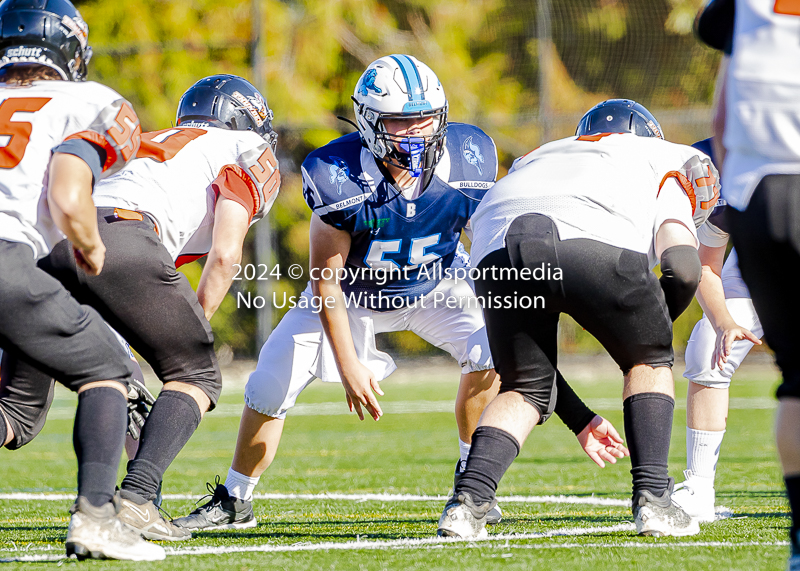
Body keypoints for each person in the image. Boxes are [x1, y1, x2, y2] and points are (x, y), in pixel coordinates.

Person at [173, 55, 628, 533]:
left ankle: (471, 482)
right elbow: (325, 279)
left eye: (424, 119)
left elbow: (504, 295)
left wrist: (579, 418)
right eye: (399, 121)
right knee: (268, 381)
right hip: (349, 294)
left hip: (437, 286)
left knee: (491, 350)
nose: (413, 132)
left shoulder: (470, 162)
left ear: (442, 116)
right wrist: (349, 364)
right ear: (370, 122)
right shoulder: (337, 173)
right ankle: (236, 499)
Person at [0, 73, 280, 541]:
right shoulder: (245, 149)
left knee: (17, 412)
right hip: (123, 237)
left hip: (54, 245)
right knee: (197, 374)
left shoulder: (149, 142)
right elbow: (227, 254)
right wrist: (195, 330)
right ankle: (138, 500)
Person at [437, 99, 720, 539]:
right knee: (649, 361)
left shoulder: (540, 156)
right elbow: (683, 268)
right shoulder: (665, 158)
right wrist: (648, 339)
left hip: (494, 249)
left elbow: (540, 377)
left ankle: (467, 504)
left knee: (523, 388)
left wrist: (580, 417)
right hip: (590, 243)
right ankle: (654, 501)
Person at [0, 0, 164, 560]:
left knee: (13, 413)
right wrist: (90, 246)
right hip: (6, 255)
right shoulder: (91, 102)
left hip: (14, 263)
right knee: (109, 369)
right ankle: (97, 518)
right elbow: (69, 194)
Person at [696, 0, 800, 567]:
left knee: (797, 382)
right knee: (705, 354)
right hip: (754, 205)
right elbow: (706, 266)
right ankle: (696, 485)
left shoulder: (745, 9)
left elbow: (721, 123)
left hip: (764, 192)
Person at [670, 138, 763, 523]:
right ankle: (699, 487)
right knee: (709, 346)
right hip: (758, 264)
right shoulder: (726, 177)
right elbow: (707, 265)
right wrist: (725, 322)